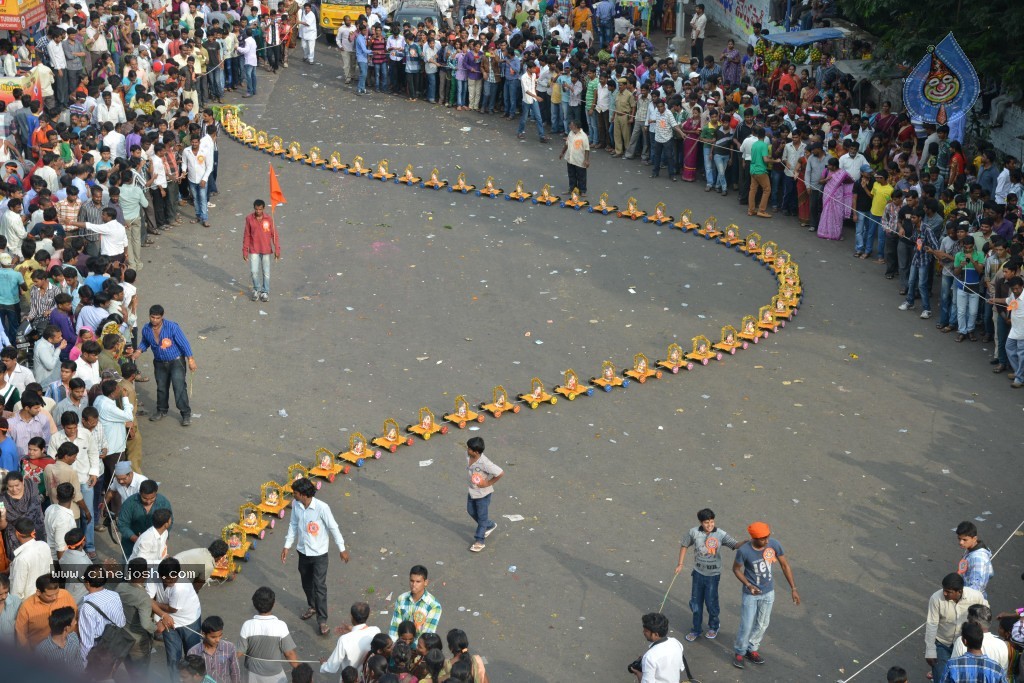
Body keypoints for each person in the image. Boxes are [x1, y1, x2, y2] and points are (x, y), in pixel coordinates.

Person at [281, 477, 349, 636]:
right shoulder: (296, 505)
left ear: (303, 494)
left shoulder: (322, 508)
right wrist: (287, 546)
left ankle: (322, 620)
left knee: (319, 586)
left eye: (295, 493)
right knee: (306, 583)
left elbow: (333, 528)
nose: (293, 495)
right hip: (303, 552)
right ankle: (312, 606)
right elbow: (293, 525)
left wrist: (342, 549)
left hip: (319, 555)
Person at [731, 521, 800, 669]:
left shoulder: (774, 544)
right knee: (747, 625)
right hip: (750, 594)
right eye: (763, 539)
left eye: (767, 537)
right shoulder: (744, 551)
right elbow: (736, 569)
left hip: (768, 593)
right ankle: (740, 652)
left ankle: (752, 648)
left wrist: (793, 588)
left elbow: (784, 565)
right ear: (754, 538)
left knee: (762, 624)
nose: (767, 541)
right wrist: (748, 585)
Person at [675, 508, 743, 641]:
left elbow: (735, 545)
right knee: (695, 604)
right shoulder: (693, 532)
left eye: (712, 521)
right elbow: (684, 545)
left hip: (713, 576)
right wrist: (680, 564)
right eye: (706, 522)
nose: (710, 525)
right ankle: (696, 629)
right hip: (697, 574)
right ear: (701, 522)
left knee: (711, 603)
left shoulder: (720, 534)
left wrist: (746, 542)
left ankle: (714, 626)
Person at [132, 305, 197, 426]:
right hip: (159, 362)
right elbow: (145, 341)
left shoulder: (172, 327)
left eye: (157, 318)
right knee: (161, 388)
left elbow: (184, 343)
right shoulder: (146, 329)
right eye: (152, 317)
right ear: (149, 316)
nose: (155, 320)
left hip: (176, 362)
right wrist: (139, 350)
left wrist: (191, 359)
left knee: (179, 387)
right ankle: (161, 410)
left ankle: (185, 413)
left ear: (162, 317)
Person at [924, 573, 989, 681]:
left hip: (964, 645)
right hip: (942, 643)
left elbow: (985, 614)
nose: (944, 593)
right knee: (941, 678)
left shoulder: (976, 596)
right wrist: (930, 650)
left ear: (959, 591)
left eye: (948, 592)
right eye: (944, 590)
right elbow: (932, 624)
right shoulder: (936, 599)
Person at [152, 555, 203, 674]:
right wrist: (161, 617)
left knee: (192, 656)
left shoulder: (180, 588)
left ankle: (193, 678)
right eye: (168, 579)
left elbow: (172, 609)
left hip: (189, 622)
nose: (172, 582)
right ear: (160, 576)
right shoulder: (153, 575)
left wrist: (154, 604)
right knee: (173, 657)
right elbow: (148, 597)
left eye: (174, 578)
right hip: (168, 621)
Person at [239, 586, 300, 682]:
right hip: (274, 675)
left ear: (254, 604)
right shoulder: (280, 626)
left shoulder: (247, 625)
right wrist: (300, 670)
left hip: (251, 675)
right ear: (273, 604)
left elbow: (239, 652)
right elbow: (289, 653)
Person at [78, 564, 126, 666]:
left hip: (97, 653)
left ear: (87, 583)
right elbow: (121, 623)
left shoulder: (87, 608)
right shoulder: (114, 595)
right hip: (114, 645)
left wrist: (85, 664)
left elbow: (87, 642)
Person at [14, 573, 77, 647]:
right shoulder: (26, 607)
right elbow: (21, 634)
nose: (54, 597)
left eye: (57, 593)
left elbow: (75, 617)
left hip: (67, 646)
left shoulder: (65, 595)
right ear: (38, 592)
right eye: (49, 595)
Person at [117, 478, 173, 558]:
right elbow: (122, 524)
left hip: (156, 545)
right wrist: (137, 539)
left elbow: (169, 521)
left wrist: (163, 538)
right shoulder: (129, 503)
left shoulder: (163, 503)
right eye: (145, 498)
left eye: (152, 498)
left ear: (156, 493)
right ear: (140, 493)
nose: (148, 501)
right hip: (131, 545)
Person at [321, 602, 380, 677]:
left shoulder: (344, 640)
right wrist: (352, 629)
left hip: (350, 677)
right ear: (368, 615)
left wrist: (324, 665)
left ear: (352, 616)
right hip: (368, 675)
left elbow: (332, 666)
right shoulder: (376, 631)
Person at [465, 436, 503, 553]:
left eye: (469, 449)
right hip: (472, 491)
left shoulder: (485, 463)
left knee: (482, 518)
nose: (467, 450)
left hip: (482, 494)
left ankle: (479, 541)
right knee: (471, 511)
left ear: (476, 452)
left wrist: (488, 483)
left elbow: (500, 473)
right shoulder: (469, 456)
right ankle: (490, 525)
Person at [627, 612, 686, 682]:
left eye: (646, 631)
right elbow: (681, 667)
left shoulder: (650, 657)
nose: (643, 632)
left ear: (656, 634)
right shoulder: (676, 642)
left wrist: (638, 673)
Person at [243, 199, 281, 303]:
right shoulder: (249, 219)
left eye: (260, 209)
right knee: (254, 271)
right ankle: (256, 289)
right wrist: (245, 250)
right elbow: (247, 235)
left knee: (266, 272)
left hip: (266, 250)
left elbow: (274, 235)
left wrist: (277, 249)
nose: (258, 211)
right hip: (254, 249)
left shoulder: (269, 219)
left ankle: (265, 291)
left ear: (263, 208)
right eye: (256, 209)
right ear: (254, 208)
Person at [389, 565, 442, 639]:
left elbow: (426, 635)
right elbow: (394, 628)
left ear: (426, 582)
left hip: (420, 645)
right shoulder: (401, 599)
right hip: (401, 643)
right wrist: (395, 645)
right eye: (412, 581)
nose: (414, 585)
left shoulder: (434, 605)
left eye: (418, 582)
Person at [187, 615, 242, 683]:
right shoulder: (193, 652)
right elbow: (191, 676)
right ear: (204, 634)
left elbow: (235, 672)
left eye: (220, 635)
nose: (218, 640)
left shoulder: (229, 647)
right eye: (213, 637)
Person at [8, 517, 52, 599]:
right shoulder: (44, 545)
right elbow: (51, 571)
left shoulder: (21, 559)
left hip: (29, 602)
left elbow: (17, 592)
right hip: (45, 596)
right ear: (33, 531)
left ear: (17, 533)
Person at [34, 605, 83, 671]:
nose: (76, 622)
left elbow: (79, 664)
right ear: (67, 628)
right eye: (74, 621)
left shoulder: (74, 637)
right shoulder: (41, 651)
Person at [954, 521, 993, 597]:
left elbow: (976, 588)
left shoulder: (977, 558)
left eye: (965, 540)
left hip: (970, 598)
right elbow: (991, 573)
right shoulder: (971, 549)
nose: (961, 542)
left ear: (974, 539)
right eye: (959, 539)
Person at [818, 157, 852, 240]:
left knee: (838, 214)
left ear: (834, 166)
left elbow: (851, 181)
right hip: (828, 195)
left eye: (830, 165)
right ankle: (825, 232)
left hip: (838, 196)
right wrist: (826, 179)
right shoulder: (826, 171)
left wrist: (842, 182)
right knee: (826, 212)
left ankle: (836, 234)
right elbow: (820, 181)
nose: (828, 166)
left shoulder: (842, 173)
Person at [559, 119, 590, 195]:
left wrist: (586, 160)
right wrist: (562, 152)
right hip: (570, 159)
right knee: (571, 175)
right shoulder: (571, 133)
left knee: (581, 176)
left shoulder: (583, 136)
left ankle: (582, 191)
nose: (570, 126)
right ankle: (572, 189)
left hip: (579, 160)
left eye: (571, 125)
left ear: (576, 126)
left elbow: (587, 149)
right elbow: (567, 144)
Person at [747, 127, 772, 218]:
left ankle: (751, 210)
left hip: (753, 169)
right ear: (765, 136)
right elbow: (765, 160)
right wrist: (775, 161)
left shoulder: (754, 144)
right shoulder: (764, 145)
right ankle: (761, 210)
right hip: (761, 170)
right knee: (767, 189)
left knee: (753, 190)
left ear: (757, 135)